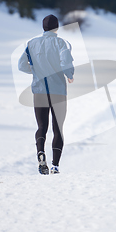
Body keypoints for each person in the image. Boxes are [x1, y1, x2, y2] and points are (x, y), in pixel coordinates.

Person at [18, 14, 74, 175]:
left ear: (43, 27)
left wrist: (35, 71)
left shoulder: (32, 44)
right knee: (58, 129)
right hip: (58, 92)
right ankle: (55, 166)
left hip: (39, 91)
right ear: (57, 28)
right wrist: (69, 75)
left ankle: (40, 153)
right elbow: (66, 62)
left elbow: (21, 65)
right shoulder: (61, 43)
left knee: (42, 127)